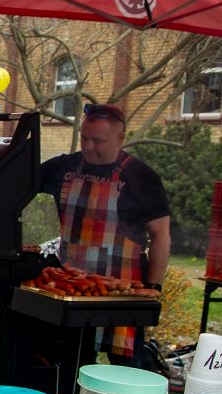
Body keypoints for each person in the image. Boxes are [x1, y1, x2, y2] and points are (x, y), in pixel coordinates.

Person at [40, 103, 171, 362]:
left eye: (97, 141)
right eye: (84, 138)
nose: (88, 146)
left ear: (120, 138)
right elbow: (14, 183)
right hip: (74, 290)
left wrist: (152, 288)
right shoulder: (63, 167)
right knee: (69, 366)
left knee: (124, 374)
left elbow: (161, 236)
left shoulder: (142, 178)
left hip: (120, 295)